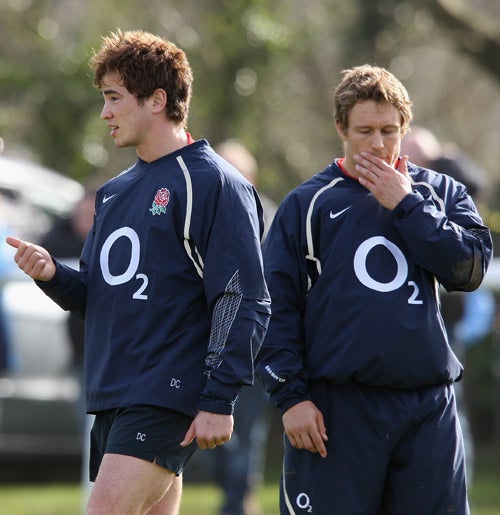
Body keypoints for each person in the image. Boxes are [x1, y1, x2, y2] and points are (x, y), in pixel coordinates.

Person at [6, 29, 270, 515]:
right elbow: (99, 298)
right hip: (114, 392)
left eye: (114, 98)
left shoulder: (215, 183)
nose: (105, 113)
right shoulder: (113, 193)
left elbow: (241, 296)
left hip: (166, 393)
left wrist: (218, 398)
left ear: (157, 100)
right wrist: (51, 275)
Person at [256, 64, 492, 514]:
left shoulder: (441, 194)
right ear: (341, 129)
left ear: (405, 128)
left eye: (389, 130)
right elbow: (273, 308)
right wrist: (291, 398)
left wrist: (406, 205)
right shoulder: (307, 205)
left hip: (427, 407)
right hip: (336, 409)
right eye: (365, 130)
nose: (378, 144)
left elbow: (470, 269)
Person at [401, 126, 496, 487]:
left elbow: (476, 183)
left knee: (451, 404)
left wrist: (445, 159)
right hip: (411, 316)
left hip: (446, 319)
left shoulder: (443, 187)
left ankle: (459, 485)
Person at [213, 140, 276, 515]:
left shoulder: (269, 218)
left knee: (247, 432)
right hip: (211, 347)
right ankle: (235, 495)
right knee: (220, 440)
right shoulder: (203, 216)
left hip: (255, 348)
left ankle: (238, 502)